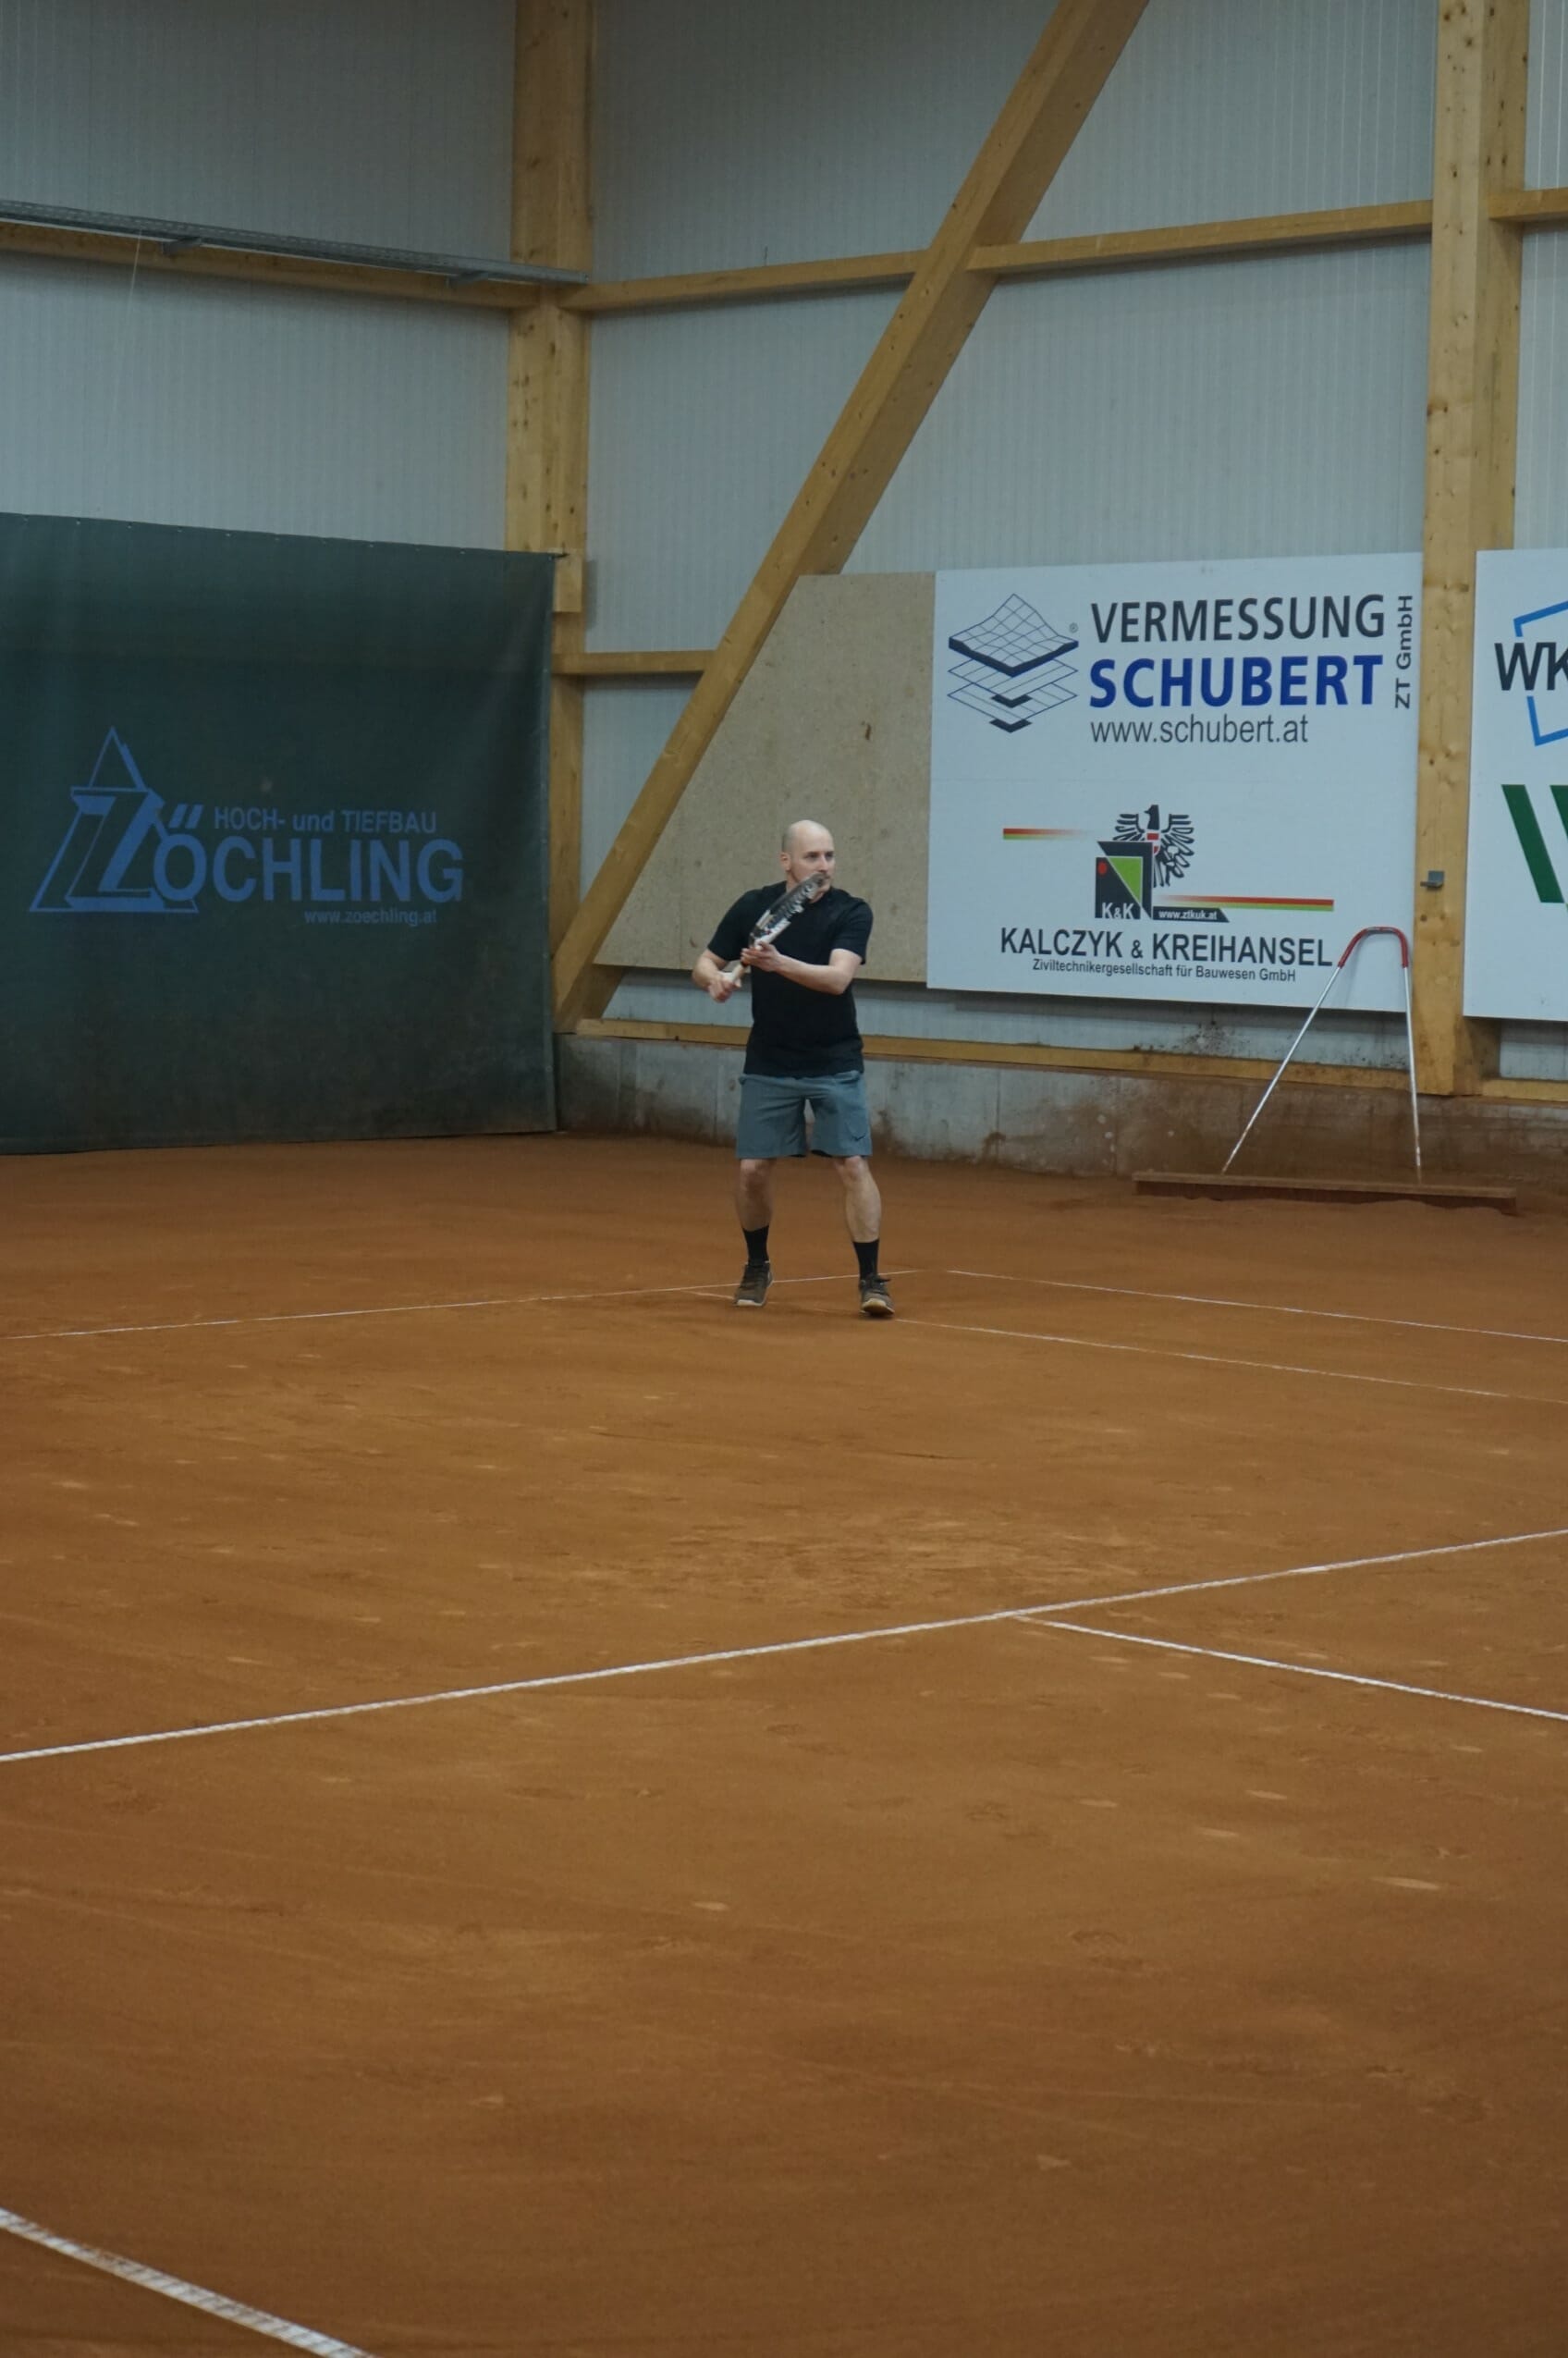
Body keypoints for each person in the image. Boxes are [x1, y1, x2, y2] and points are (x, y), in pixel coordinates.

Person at [692, 820, 893, 1318]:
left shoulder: (852, 911)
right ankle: (757, 1265)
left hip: (834, 1060)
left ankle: (871, 1279)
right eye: (812, 857)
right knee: (753, 1170)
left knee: (852, 1164)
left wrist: (778, 964)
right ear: (787, 861)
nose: (823, 866)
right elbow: (704, 963)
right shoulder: (752, 906)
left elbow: (837, 979)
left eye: (829, 856)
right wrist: (715, 980)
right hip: (770, 1060)